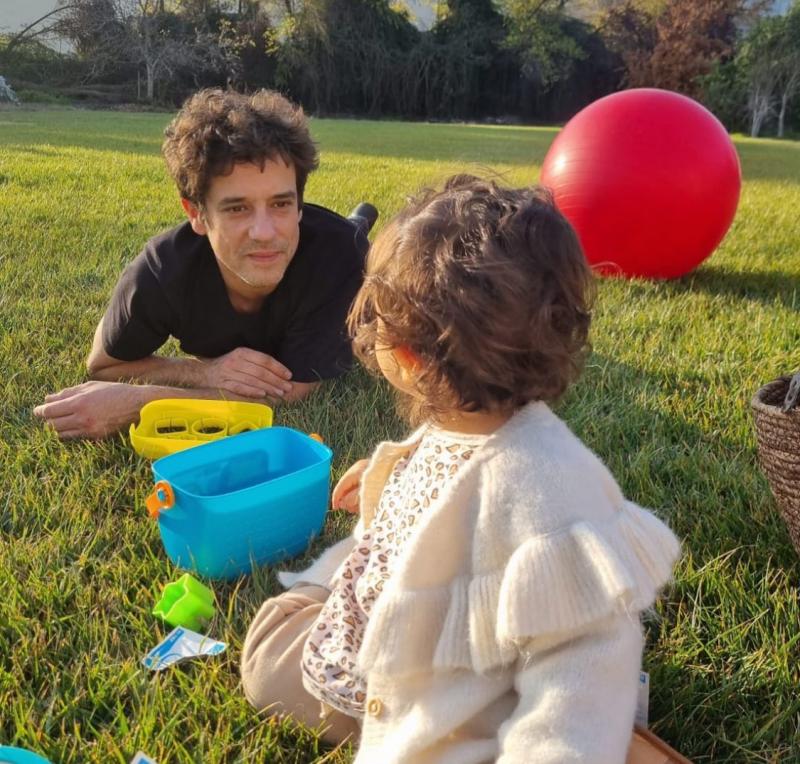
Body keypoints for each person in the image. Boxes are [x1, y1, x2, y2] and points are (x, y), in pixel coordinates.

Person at [239, 175, 684, 763]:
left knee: (269, 658)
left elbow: (590, 650)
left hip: (427, 698)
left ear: (404, 356)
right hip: (450, 653)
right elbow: (452, 470)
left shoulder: (550, 489)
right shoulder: (476, 420)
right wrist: (391, 472)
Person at [34, 89, 369, 440]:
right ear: (196, 213)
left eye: (281, 204)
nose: (265, 232)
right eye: (237, 208)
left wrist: (141, 402)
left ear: (300, 205)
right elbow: (103, 364)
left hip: (347, 246)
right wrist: (203, 372)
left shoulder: (340, 258)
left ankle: (357, 222)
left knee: (365, 250)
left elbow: (289, 394)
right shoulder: (164, 269)